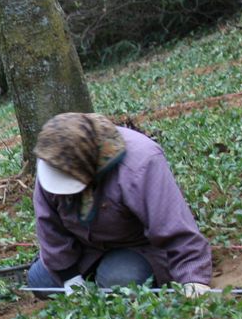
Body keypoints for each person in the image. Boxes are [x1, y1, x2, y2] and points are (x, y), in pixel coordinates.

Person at [27, 112, 212, 297]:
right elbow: (50, 226)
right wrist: (70, 278)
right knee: (39, 281)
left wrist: (192, 279)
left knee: (118, 282)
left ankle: (109, 278)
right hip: (86, 249)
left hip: (139, 247)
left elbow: (173, 225)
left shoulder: (141, 162)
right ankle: (93, 279)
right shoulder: (52, 160)